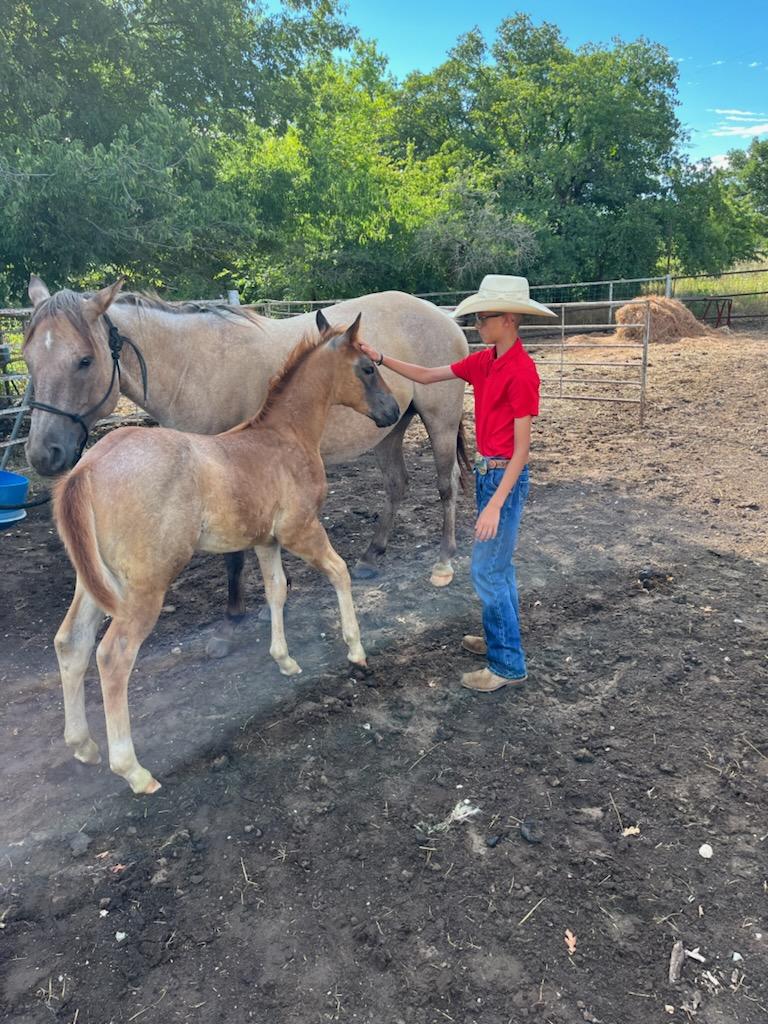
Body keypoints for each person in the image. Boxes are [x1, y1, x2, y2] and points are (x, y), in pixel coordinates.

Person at [356, 275, 556, 693]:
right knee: (498, 567)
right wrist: (380, 357)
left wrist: (496, 504)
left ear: (507, 320)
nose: (477, 326)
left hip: (504, 476)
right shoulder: (486, 363)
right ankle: (498, 637)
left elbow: (522, 451)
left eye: (483, 319)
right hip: (488, 472)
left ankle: (506, 666)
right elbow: (427, 375)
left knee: (487, 570)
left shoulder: (521, 372)